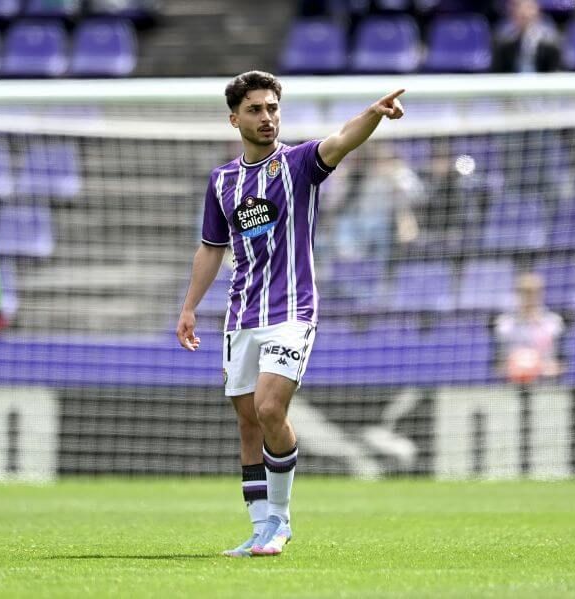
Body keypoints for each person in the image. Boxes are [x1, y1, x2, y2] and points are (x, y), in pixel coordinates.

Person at [175, 71, 404, 557]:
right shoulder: (223, 181)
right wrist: (190, 306)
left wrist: (373, 115)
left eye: (273, 108)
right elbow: (211, 249)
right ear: (235, 118)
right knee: (247, 424)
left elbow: (341, 141)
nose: (267, 117)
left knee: (270, 407)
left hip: (292, 310)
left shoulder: (299, 163)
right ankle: (258, 528)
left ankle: (280, 522)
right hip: (241, 315)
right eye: (256, 110)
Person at [495, 272, 565, 384]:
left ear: (541, 294)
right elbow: (497, 366)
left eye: (533, 293)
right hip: (512, 384)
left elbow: (562, 363)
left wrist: (541, 367)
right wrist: (514, 367)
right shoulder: (505, 324)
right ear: (517, 294)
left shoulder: (553, 323)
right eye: (525, 292)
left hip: (545, 384)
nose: (529, 298)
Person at [492, 0, 561, 73]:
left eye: (528, 10)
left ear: (537, 14)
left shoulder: (550, 44)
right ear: (513, 16)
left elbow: (554, 73)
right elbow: (498, 74)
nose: (525, 13)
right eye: (521, 16)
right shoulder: (503, 44)